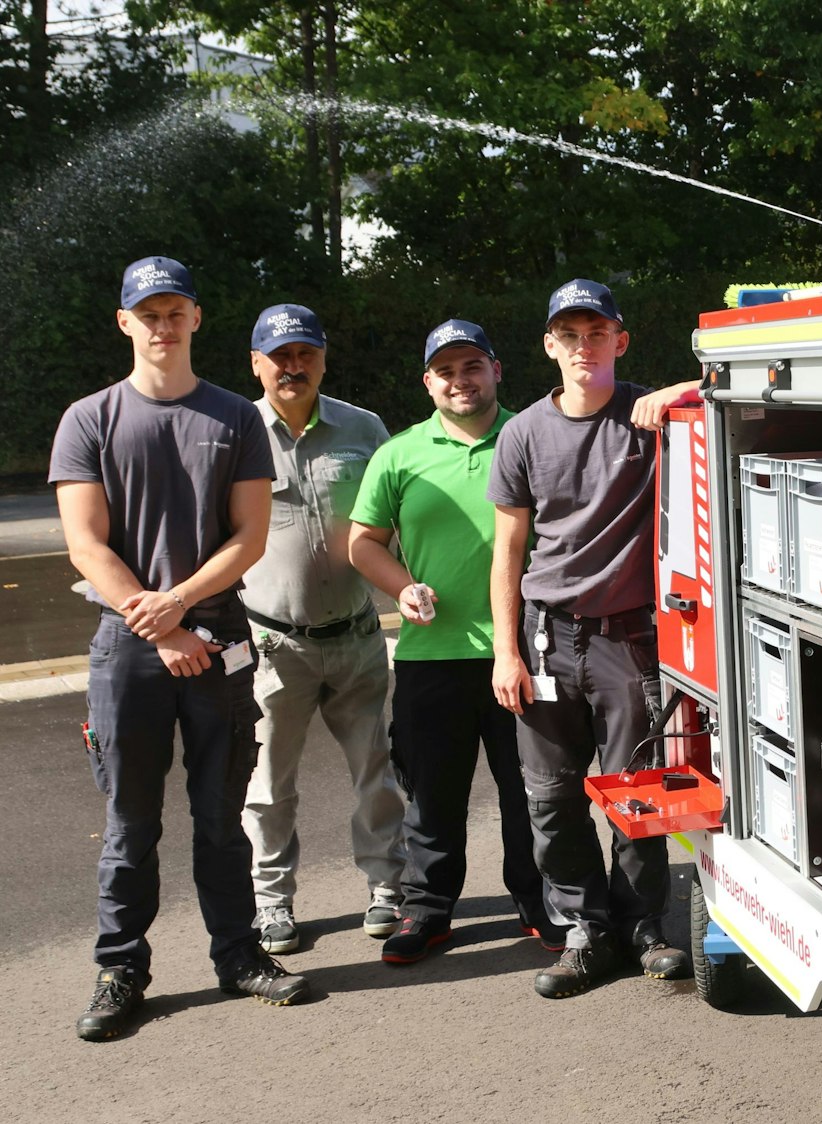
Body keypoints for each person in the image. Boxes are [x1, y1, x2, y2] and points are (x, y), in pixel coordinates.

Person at [51, 257, 311, 1041]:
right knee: (130, 823)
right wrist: (162, 627)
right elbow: (85, 545)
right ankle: (120, 970)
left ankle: (238, 956)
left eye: (175, 313)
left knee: (221, 817)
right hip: (129, 649)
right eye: (148, 314)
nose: (162, 326)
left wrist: (182, 609)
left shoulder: (234, 418)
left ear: (196, 319)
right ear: (125, 323)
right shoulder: (89, 419)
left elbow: (250, 537)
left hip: (219, 641)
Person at [487, 279, 700, 998]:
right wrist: (507, 651)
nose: (585, 346)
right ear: (550, 345)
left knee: (637, 791)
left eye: (597, 333)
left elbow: (734, 390)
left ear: (620, 341)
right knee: (550, 798)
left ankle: (644, 929)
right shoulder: (522, 433)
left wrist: (680, 390)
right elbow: (507, 552)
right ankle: (586, 931)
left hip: (629, 640)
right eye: (570, 335)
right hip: (547, 640)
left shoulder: (649, 417)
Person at [349, 319, 554, 965]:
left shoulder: (531, 435)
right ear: (428, 382)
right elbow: (363, 543)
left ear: (496, 370)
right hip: (431, 657)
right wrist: (401, 586)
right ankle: (428, 909)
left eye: (472, 367)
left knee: (531, 793)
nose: (460, 381)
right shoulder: (399, 454)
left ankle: (538, 901)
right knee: (433, 796)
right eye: (446, 371)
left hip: (521, 652)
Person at [236, 303, 405, 954]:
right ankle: (271, 902)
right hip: (274, 645)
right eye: (279, 356)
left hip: (357, 637)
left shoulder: (364, 429)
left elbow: (397, 520)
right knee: (268, 784)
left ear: (323, 359)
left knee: (375, 773)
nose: (293, 366)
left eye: (305, 353)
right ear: (256, 363)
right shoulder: (234, 433)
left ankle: (387, 888)